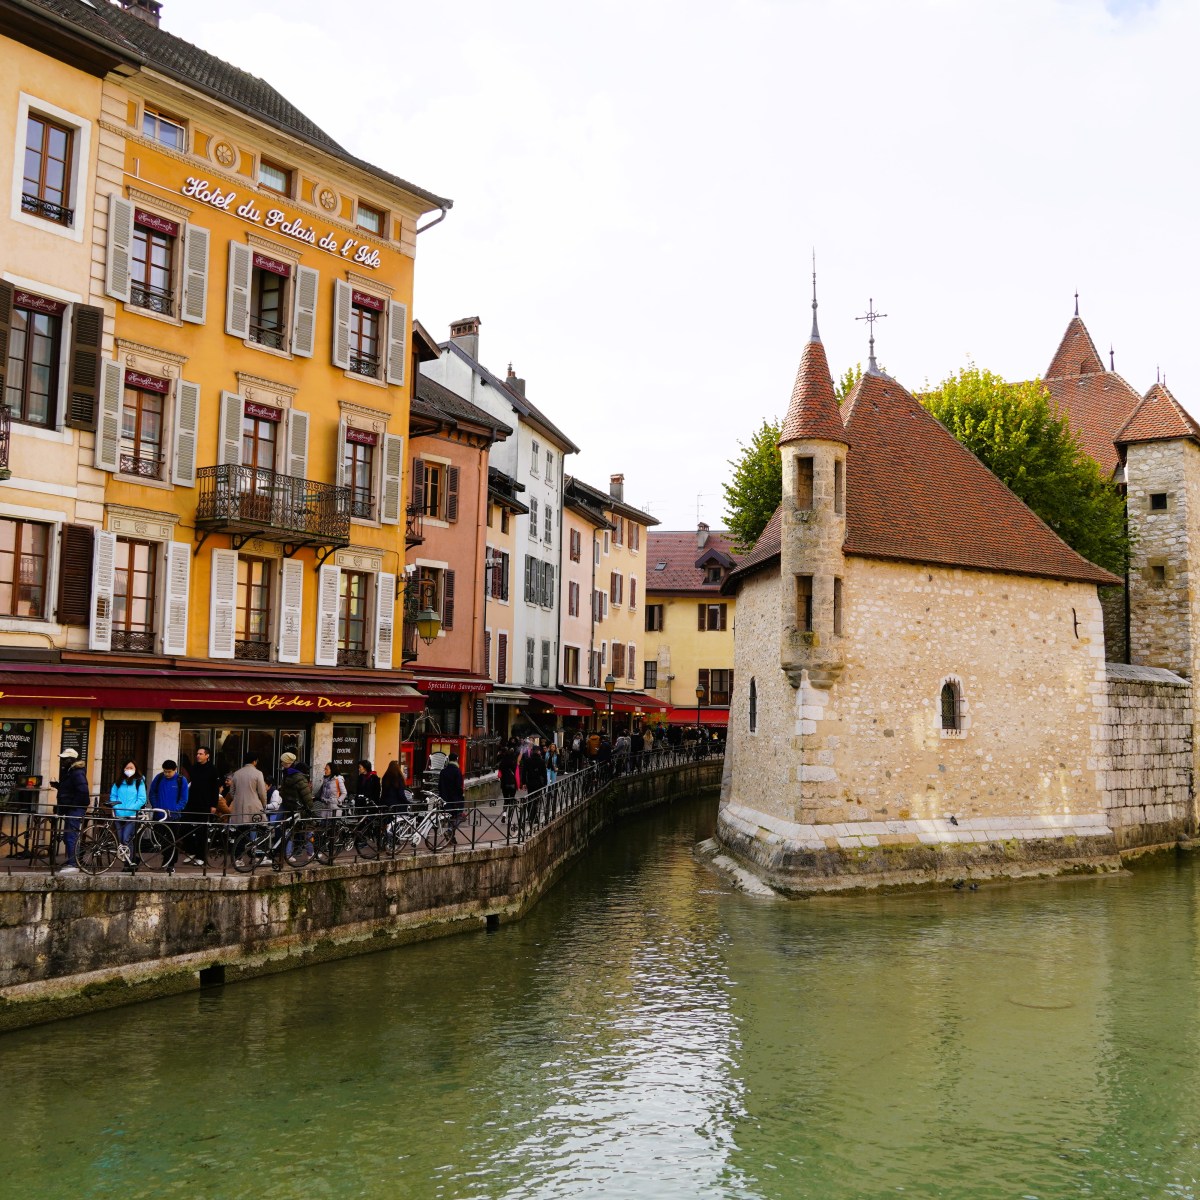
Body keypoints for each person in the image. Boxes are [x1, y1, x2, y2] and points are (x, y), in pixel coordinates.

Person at [53, 747, 89, 874]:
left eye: (64, 759)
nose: (62, 761)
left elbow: (83, 792)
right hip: (71, 808)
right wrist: (59, 786)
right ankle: (73, 862)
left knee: (71, 835)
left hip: (75, 809)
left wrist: (73, 805)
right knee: (69, 835)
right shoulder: (70, 771)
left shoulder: (77, 772)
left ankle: (73, 864)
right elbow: (73, 789)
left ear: (71, 759)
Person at [148, 759, 188, 869]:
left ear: (175, 770)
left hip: (173, 816)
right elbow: (152, 793)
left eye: (169, 772)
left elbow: (183, 799)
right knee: (160, 840)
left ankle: (170, 864)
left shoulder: (181, 780)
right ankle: (166, 860)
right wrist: (156, 807)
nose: (166, 774)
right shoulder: (159, 778)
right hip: (159, 815)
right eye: (165, 771)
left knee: (172, 841)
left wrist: (175, 809)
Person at [182, 746, 218, 864]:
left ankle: (201, 857)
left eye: (201, 754)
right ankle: (191, 851)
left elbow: (215, 789)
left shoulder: (212, 770)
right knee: (185, 828)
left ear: (207, 756)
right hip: (191, 803)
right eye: (197, 753)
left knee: (201, 831)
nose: (198, 755)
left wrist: (214, 805)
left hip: (205, 804)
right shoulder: (193, 768)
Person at [110, 760, 147, 870]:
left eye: (131, 768)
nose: (129, 770)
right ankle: (131, 861)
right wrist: (117, 808)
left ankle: (129, 864)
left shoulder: (139, 782)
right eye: (127, 768)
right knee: (121, 840)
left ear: (135, 769)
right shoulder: (118, 782)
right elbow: (113, 797)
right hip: (119, 814)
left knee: (127, 838)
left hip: (131, 815)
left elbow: (141, 799)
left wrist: (131, 809)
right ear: (123, 769)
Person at [229, 751, 268, 825]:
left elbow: (231, 791)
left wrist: (237, 798)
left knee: (240, 830)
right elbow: (262, 792)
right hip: (253, 805)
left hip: (238, 806)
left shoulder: (236, 773)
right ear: (254, 761)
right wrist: (264, 804)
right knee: (254, 828)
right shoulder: (258, 773)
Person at [438, 750, 465, 839]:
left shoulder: (443, 771)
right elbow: (458, 786)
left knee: (449, 816)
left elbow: (440, 786)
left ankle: (451, 837)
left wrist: (442, 796)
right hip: (455, 799)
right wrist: (461, 795)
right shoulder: (457, 771)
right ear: (456, 760)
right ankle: (450, 830)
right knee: (458, 816)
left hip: (445, 798)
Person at [279, 751, 315, 818]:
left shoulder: (298, 776)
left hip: (295, 808)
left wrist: (311, 811)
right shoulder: (286, 774)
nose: (281, 763)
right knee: (278, 825)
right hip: (287, 805)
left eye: (283, 762)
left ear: (287, 763)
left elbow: (307, 796)